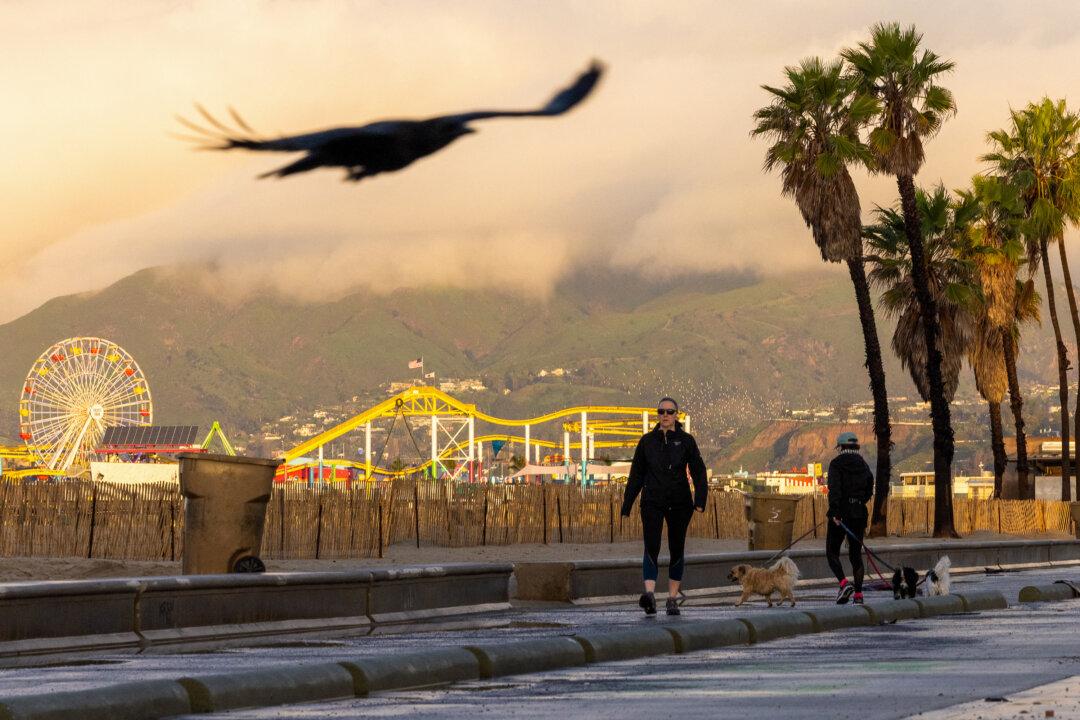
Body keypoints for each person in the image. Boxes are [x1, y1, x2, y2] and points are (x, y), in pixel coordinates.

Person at [621, 397, 708, 616]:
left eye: (670, 412)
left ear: (677, 415)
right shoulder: (647, 441)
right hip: (652, 500)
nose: (666, 415)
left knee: (676, 547)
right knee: (651, 545)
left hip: (680, 502)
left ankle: (671, 598)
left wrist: (700, 501)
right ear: (657, 414)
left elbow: (698, 470)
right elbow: (636, 474)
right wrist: (627, 503)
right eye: (662, 411)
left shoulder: (686, 440)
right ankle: (649, 594)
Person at [826, 431, 874, 605]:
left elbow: (834, 489)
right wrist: (859, 502)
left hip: (841, 513)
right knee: (856, 555)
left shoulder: (836, 464)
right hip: (859, 513)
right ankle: (859, 595)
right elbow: (870, 487)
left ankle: (844, 583)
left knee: (832, 552)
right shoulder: (864, 465)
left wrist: (835, 513)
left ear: (841, 447)